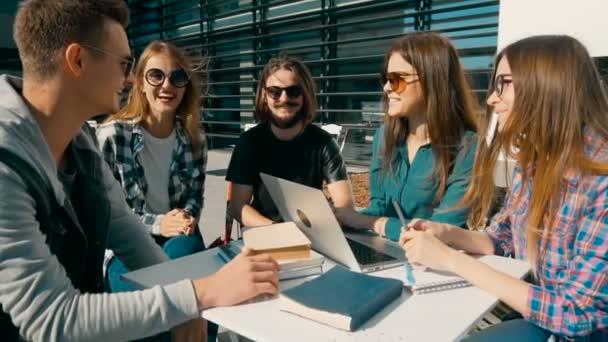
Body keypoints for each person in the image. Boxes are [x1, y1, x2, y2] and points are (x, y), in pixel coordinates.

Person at [0, 1, 278, 341]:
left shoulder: (82, 145)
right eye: (124, 63)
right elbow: (52, 320)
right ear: (78, 60)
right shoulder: (6, 162)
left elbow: (131, 238)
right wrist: (200, 293)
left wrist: (189, 304)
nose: (130, 77)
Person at [400, 35, 608, 341]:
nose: (491, 100)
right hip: (535, 321)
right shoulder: (535, 162)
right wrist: (447, 234)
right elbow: (504, 237)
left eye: (503, 84)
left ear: (547, 84)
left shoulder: (601, 181)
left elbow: (576, 314)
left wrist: (450, 260)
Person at [335, 32, 478, 241]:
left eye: (397, 80)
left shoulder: (467, 147)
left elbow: (442, 230)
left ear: (432, 80)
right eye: (386, 78)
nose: (386, 88)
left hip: (433, 265)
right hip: (386, 250)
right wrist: (344, 218)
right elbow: (379, 208)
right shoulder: (384, 137)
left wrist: (368, 222)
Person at [96, 41, 207, 293]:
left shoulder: (195, 140)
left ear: (185, 86)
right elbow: (103, 214)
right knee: (169, 290)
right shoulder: (112, 136)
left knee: (192, 274)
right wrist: (158, 224)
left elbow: (194, 197)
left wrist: (186, 218)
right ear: (140, 84)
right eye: (156, 75)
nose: (167, 85)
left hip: (179, 238)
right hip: (125, 244)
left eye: (177, 77)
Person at [225, 54, 354, 227]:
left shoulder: (323, 143)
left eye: (293, 91)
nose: (284, 99)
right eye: (275, 92)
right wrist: (279, 231)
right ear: (264, 95)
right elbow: (238, 206)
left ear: (305, 93)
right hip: (264, 232)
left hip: (312, 233)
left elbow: (344, 205)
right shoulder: (248, 143)